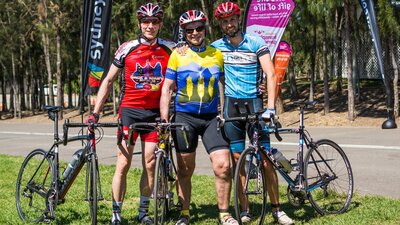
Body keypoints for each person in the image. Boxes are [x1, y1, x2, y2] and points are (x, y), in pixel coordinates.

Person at [87, 3, 175, 225]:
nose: (150, 26)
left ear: (160, 24)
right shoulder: (127, 47)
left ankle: (143, 212)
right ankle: (116, 213)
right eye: (146, 21)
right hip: (129, 112)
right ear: (139, 24)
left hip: (155, 114)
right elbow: (108, 81)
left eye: (155, 22)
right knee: (123, 163)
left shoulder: (170, 48)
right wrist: (96, 113)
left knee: (150, 163)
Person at [211, 2, 294, 225]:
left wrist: (270, 108)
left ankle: (277, 210)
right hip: (231, 106)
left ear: (239, 20)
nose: (229, 24)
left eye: (232, 19)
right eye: (225, 21)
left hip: (255, 105)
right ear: (221, 24)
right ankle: (245, 209)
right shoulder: (216, 47)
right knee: (238, 160)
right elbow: (197, 56)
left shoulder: (256, 42)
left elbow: (270, 74)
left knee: (266, 159)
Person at [160, 9, 239, 225]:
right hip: (184, 118)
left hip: (211, 118)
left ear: (205, 29)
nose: (195, 33)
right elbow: (167, 88)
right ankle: (184, 213)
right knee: (185, 169)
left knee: (223, 165)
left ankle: (224, 213)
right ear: (184, 33)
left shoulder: (216, 53)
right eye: (189, 30)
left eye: (199, 28)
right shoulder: (178, 54)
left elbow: (227, 83)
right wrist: (165, 118)